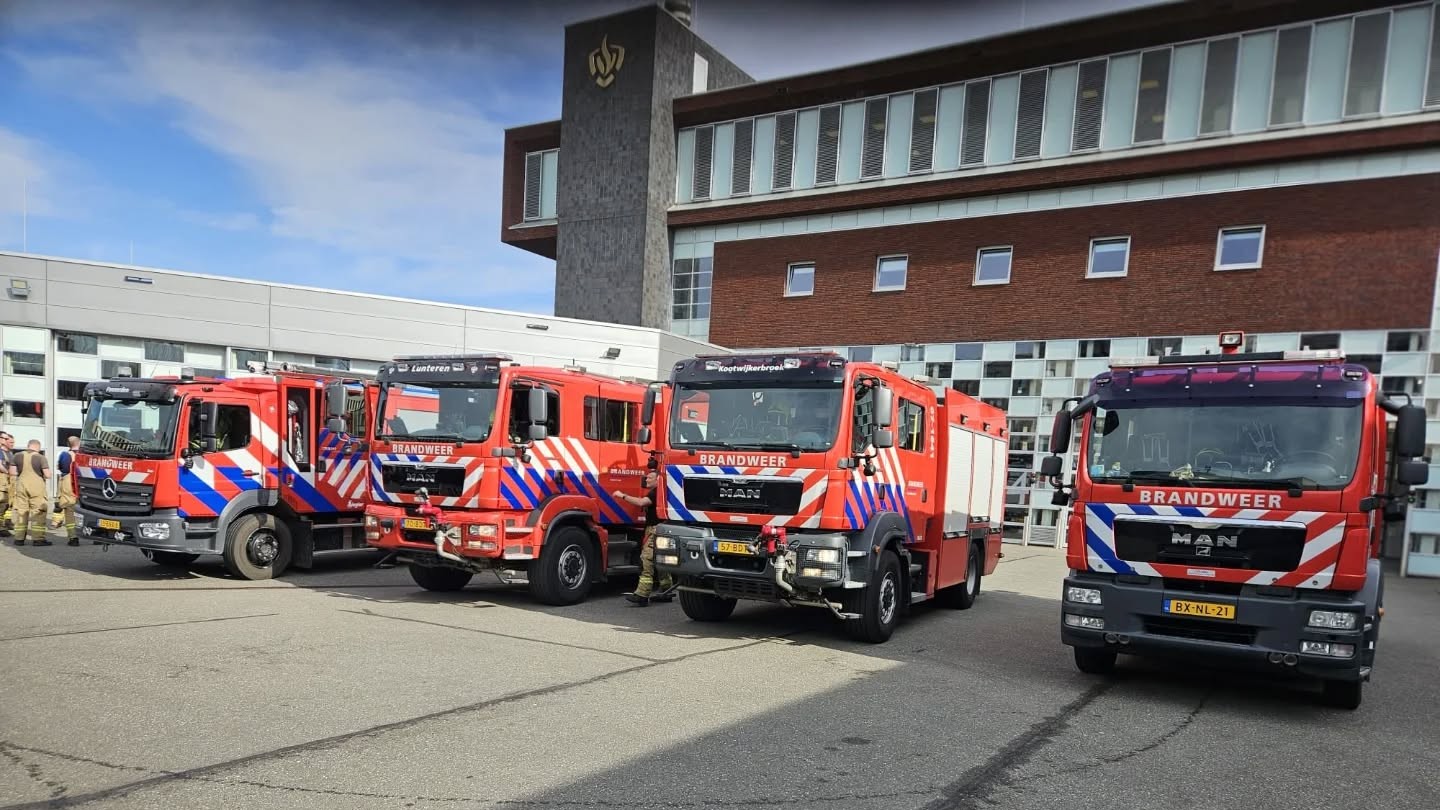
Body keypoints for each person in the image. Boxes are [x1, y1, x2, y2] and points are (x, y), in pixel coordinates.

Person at [613, 467, 673, 606]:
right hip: (660, 528)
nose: (646, 479)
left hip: (654, 530)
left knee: (647, 559)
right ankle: (667, 590)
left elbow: (641, 503)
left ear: (658, 479)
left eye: (649, 477)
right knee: (661, 559)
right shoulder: (662, 491)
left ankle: (642, 594)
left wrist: (622, 495)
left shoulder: (655, 492)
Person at [9, 440, 52, 547]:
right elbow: (47, 475)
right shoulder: (40, 458)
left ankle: (19, 539)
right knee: (38, 512)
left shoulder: (17, 456)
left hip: (21, 485)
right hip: (36, 487)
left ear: (28, 446)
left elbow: (12, 472)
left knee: (21, 511)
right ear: (38, 447)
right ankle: (38, 539)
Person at [54, 436, 80, 545]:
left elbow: (61, 468)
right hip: (85, 483)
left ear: (68, 444)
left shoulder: (65, 455)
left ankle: (73, 538)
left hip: (69, 483)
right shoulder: (87, 455)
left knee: (69, 510)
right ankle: (96, 536)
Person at [0, 432, 13, 539]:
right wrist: (9, 472)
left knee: (5, 505)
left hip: (6, 482)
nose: (7, 440)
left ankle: (3, 526)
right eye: (5, 438)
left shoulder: (9, 453)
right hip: (2, 481)